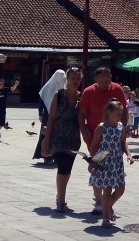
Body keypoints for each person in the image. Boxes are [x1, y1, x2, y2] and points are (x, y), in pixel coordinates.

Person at [79, 67, 127, 214]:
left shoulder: (117, 89)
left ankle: (107, 203)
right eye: (101, 82)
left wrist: (124, 128)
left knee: (111, 168)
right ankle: (99, 202)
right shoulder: (88, 92)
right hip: (95, 135)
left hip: (113, 135)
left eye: (107, 81)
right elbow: (81, 112)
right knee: (97, 167)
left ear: (111, 77)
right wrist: (83, 129)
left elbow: (124, 110)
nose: (104, 84)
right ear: (95, 80)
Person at [41, 68, 82, 212]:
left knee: (67, 169)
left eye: (78, 78)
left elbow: (82, 119)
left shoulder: (81, 97)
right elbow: (51, 118)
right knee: (63, 167)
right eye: (72, 78)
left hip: (74, 139)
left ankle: (60, 194)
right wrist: (46, 139)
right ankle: (61, 201)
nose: (75, 81)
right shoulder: (59, 95)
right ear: (66, 80)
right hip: (58, 137)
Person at [89, 99, 133, 226]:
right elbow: (94, 146)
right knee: (107, 189)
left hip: (117, 163)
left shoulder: (120, 127)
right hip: (105, 162)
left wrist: (129, 155)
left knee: (120, 189)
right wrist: (92, 161)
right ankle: (106, 218)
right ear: (109, 112)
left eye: (121, 113)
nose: (120, 116)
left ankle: (107, 207)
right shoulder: (101, 127)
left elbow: (123, 143)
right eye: (117, 113)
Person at [34, 69, 66, 164]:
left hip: (59, 116)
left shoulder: (64, 87)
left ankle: (56, 156)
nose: (62, 79)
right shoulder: (47, 87)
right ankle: (45, 156)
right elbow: (41, 101)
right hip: (47, 115)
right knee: (46, 134)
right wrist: (40, 113)